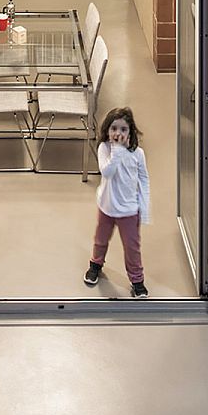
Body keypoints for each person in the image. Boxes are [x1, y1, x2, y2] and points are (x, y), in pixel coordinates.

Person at [83, 106, 150, 297]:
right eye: (114, 129)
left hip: (129, 210)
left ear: (130, 132)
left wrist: (144, 207)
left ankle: (137, 280)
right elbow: (107, 172)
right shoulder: (104, 149)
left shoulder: (138, 154)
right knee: (101, 239)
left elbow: (144, 179)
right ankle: (96, 264)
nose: (118, 133)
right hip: (106, 207)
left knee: (132, 246)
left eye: (123, 129)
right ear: (107, 130)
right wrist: (117, 152)